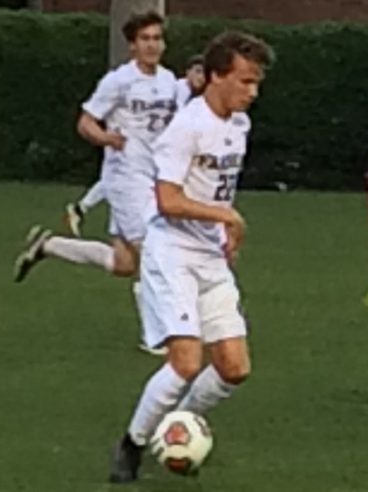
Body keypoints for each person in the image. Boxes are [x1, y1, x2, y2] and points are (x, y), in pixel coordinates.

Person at [108, 31, 274, 483]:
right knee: (185, 362)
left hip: (210, 255)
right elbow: (167, 199)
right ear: (216, 77)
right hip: (172, 250)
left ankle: (174, 426)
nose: (252, 92)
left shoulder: (239, 126)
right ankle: (132, 445)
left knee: (235, 369)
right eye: (245, 81)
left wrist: (224, 232)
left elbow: (218, 187)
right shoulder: (187, 127)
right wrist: (226, 216)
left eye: (256, 83)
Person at [14, 12, 178, 351]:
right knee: (154, 252)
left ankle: (49, 246)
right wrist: (106, 138)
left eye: (157, 38)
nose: (152, 45)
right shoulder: (118, 81)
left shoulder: (169, 82)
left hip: (152, 178)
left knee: (124, 263)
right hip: (124, 179)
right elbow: (86, 122)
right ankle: (156, 336)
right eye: (145, 39)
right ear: (132, 45)